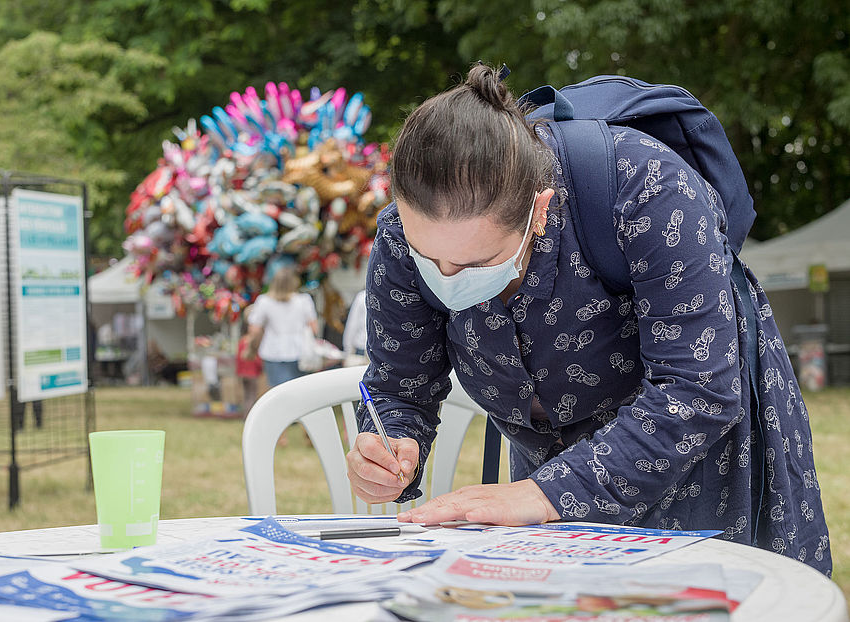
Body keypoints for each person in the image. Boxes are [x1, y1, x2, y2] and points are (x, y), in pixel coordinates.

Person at [345, 64, 832, 575]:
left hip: (696, 455)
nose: (447, 277)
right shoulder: (402, 234)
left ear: (539, 211)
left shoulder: (646, 187)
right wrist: (393, 441)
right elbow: (400, 384)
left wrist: (542, 494)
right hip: (544, 475)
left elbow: (698, 390)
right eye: (429, 258)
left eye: (476, 264)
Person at [245, 266, 319, 387]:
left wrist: (251, 347)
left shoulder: (264, 301)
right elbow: (314, 328)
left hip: (272, 352)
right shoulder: (304, 300)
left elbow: (254, 329)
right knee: (299, 391)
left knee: (277, 392)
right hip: (300, 351)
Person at [237, 305, 264, 416]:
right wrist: (260, 369)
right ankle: (250, 416)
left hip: (243, 374)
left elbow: (238, 358)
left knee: (247, 395)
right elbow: (257, 361)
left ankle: (246, 415)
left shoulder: (242, 340)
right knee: (252, 396)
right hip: (252, 374)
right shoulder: (253, 344)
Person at [342, 289, 368, 362]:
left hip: (362, 349)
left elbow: (352, 325)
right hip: (380, 351)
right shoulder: (386, 296)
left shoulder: (362, 296)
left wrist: (347, 351)